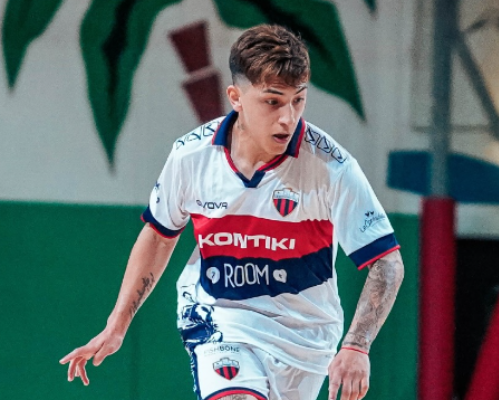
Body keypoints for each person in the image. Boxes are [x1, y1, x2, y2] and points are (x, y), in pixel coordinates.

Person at [60, 24, 404, 400]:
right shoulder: (192, 156)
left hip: (307, 338)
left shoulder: (331, 166)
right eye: (273, 101)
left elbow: (387, 262)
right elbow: (159, 236)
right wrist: (117, 323)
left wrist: (357, 346)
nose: (288, 118)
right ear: (236, 97)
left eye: (298, 100)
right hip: (219, 316)